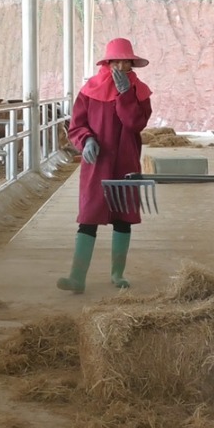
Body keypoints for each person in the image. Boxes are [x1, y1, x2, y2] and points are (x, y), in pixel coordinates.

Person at [58, 37, 153, 294]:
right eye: (117, 60)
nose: (122, 66)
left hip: (125, 160)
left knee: (123, 217)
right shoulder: (90, 89)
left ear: (132, 63)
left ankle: (117, 273)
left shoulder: (139, 91)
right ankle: (76, 277)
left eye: (126, 61)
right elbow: (77, 125)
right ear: (108, 62)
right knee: (88, 216)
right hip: (97, 162)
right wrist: (86, 140)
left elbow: (135, 124)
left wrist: (126, 96)